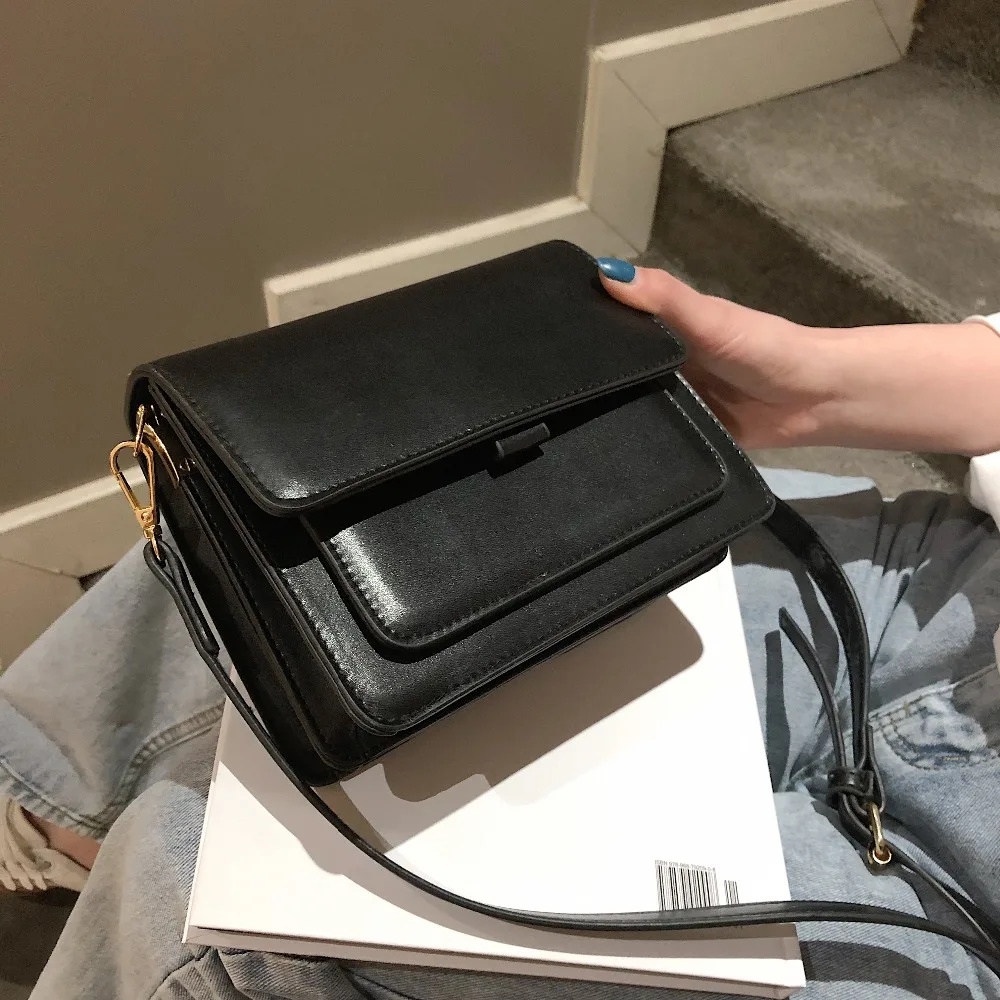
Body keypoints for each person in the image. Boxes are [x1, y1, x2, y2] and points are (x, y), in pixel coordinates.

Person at [2, 259, 999, 999]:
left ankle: (96, 882)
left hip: (974, 883)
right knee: (224, 527)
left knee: (218, 886)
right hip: (945, 579)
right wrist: (817, 380)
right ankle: (45, 812)